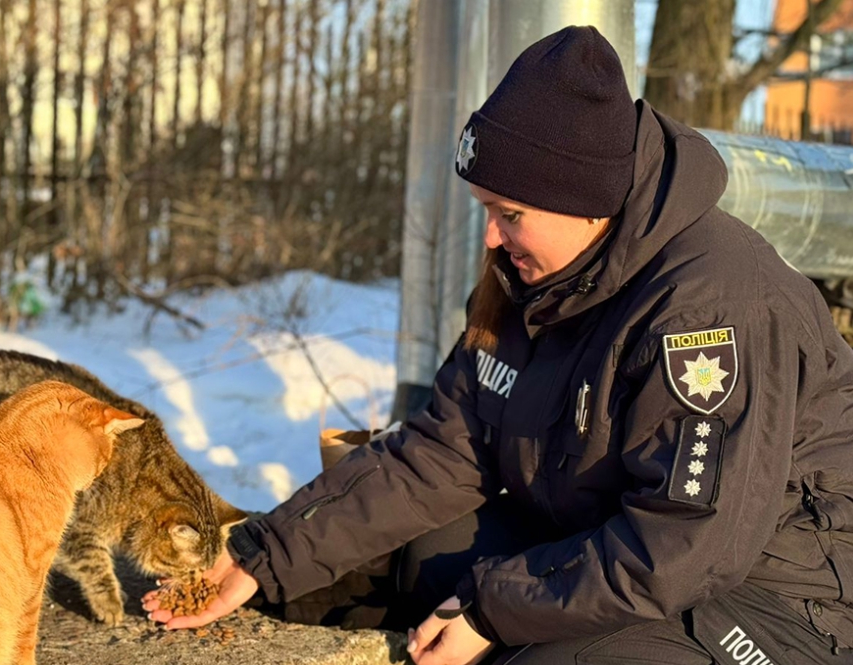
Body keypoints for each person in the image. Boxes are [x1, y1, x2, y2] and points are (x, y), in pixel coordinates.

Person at [144, 25, 853, 664]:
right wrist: (262, 555)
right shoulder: (541, 279)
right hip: (617, 540)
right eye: (487, 210)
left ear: (589, 201)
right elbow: (439, 451)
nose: (490, 237)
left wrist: (495, 609)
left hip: (776, 598)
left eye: (509, 214)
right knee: (424, 556)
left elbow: (686, 543)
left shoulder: (714, 309)